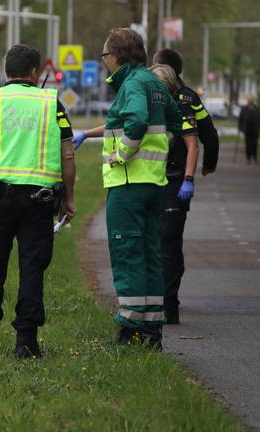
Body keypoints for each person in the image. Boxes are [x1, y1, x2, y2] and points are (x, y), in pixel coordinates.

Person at [71, 28, 183, 349]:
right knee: (150, 255)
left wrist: (121, 154)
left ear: (117, 55)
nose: (104, 62)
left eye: (105, 55)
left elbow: (135, 120)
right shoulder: (153, 83)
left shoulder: (133, 84)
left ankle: (130, 330)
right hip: (153, 182)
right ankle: (151, 330)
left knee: (127, 254)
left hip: (129, 182)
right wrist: (158, 155)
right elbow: (176, 123)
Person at [0, 44, 76, 359]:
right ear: (35, 72)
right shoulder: (51, 104)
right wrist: (69, 198)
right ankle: (26, 342)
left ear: (6, 72)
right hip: (38, 202)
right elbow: (68, 154)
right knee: (32, 269)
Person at [152, 49, 220, 324]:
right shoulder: (192, 97)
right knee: (169, 241)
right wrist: (210, 164)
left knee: (163, 240)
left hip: (165, 175)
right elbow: (210, 133)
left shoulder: (158, 95)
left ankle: (167, 304)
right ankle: (167, 301)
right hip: (176, 176)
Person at [239, 96, 260, 164]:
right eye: (249, 100)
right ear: (247, 101)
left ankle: (255, 158)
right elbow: (240, 120)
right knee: (248, 145)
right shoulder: (244, 109)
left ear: (253, 101)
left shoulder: (257, 109)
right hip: (247, 130)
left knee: (255, 144)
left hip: (255, 130)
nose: (250, 101)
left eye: (251, 100)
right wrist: (241, 128)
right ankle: (248, 158)